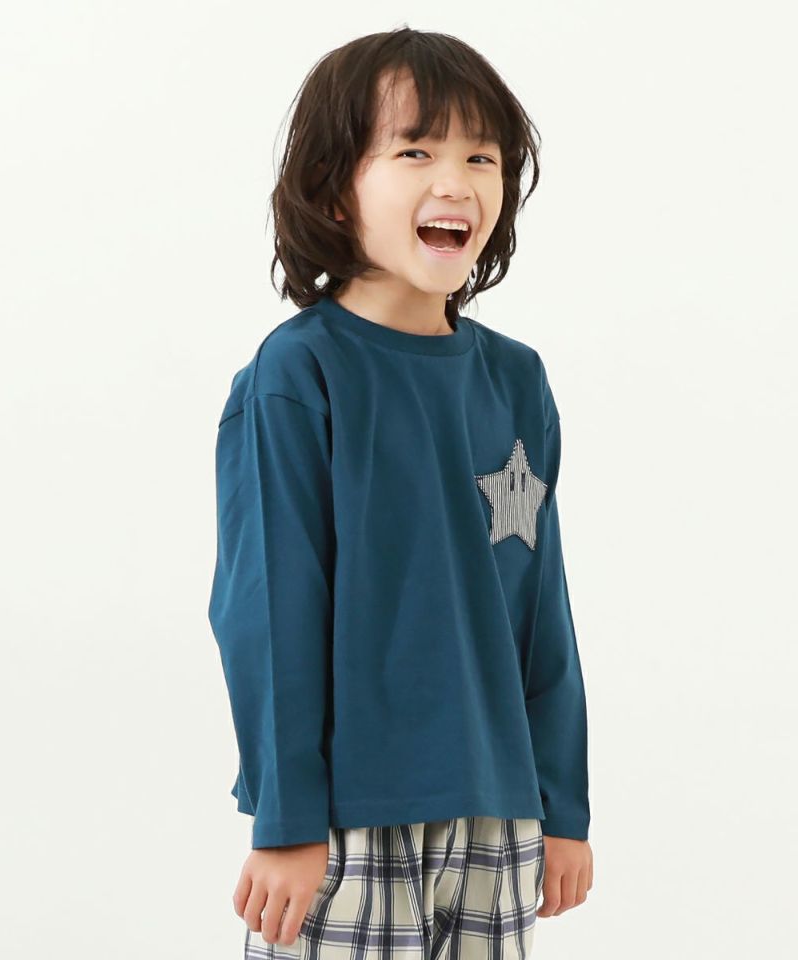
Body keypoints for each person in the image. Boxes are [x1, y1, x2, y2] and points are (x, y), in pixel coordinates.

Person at [208, 25, 593, 958]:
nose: (455, 181)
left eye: (481, 157)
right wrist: (287, 816)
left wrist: (562, 803)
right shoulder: (299, 375)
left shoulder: (516, 382)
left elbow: (540, 610)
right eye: (415, 151)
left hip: (496, 815)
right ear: (334, 186)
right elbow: (270, 610)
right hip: (348, 816)